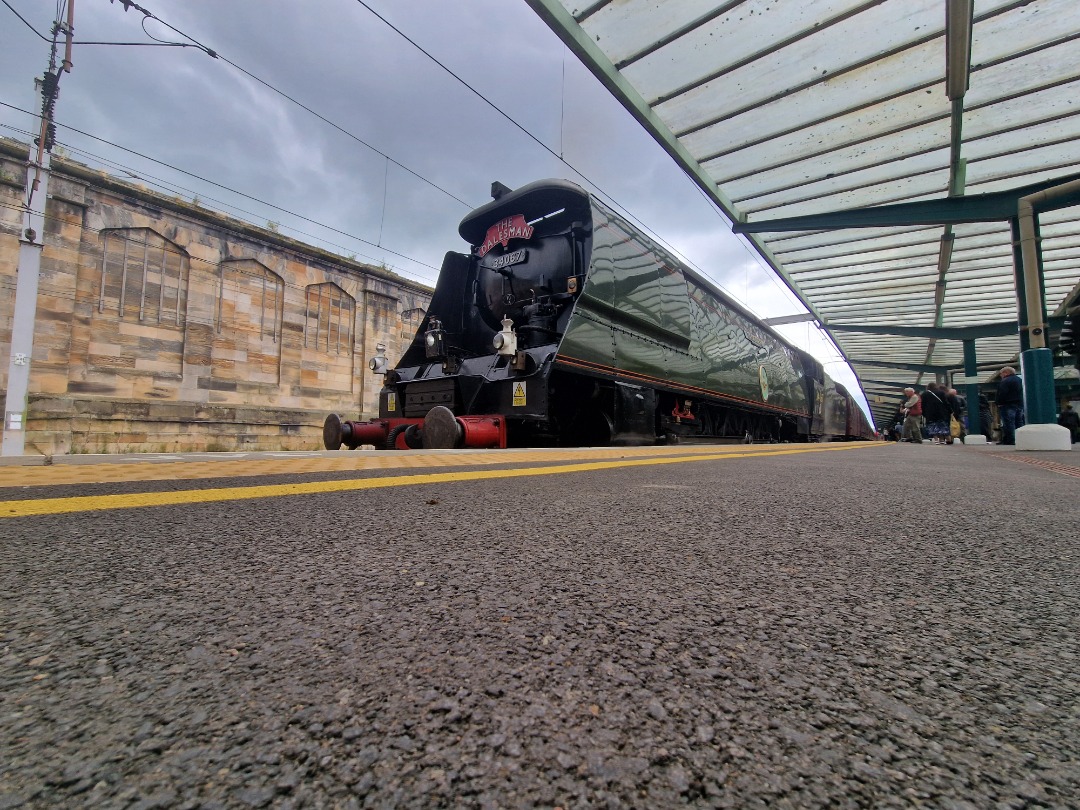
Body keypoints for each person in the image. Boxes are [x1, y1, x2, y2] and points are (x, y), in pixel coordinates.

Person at [996, 366, 1025, 446]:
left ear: (1006, 373)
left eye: (1001, 374)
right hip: (1019, 404)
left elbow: (1002, 393)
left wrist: (999, 402)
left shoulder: (1005, 381)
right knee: (1019, 422)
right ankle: (1020, 439)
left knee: (1008, 423)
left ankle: (1010, 440)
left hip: (1007, 404)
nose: (1001, 376)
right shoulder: (1020, 380)